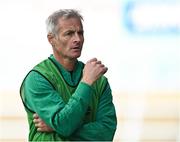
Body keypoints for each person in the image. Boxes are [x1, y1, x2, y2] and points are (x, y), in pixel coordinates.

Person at [20, 9, 117, 141]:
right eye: (69, 34)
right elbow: (64, 125)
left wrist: (56, 127)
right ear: (51, 39)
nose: (77, 39)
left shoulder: (100, 81)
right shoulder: (37, 78)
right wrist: (86, 82)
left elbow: (106, 132)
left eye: (80, 33)